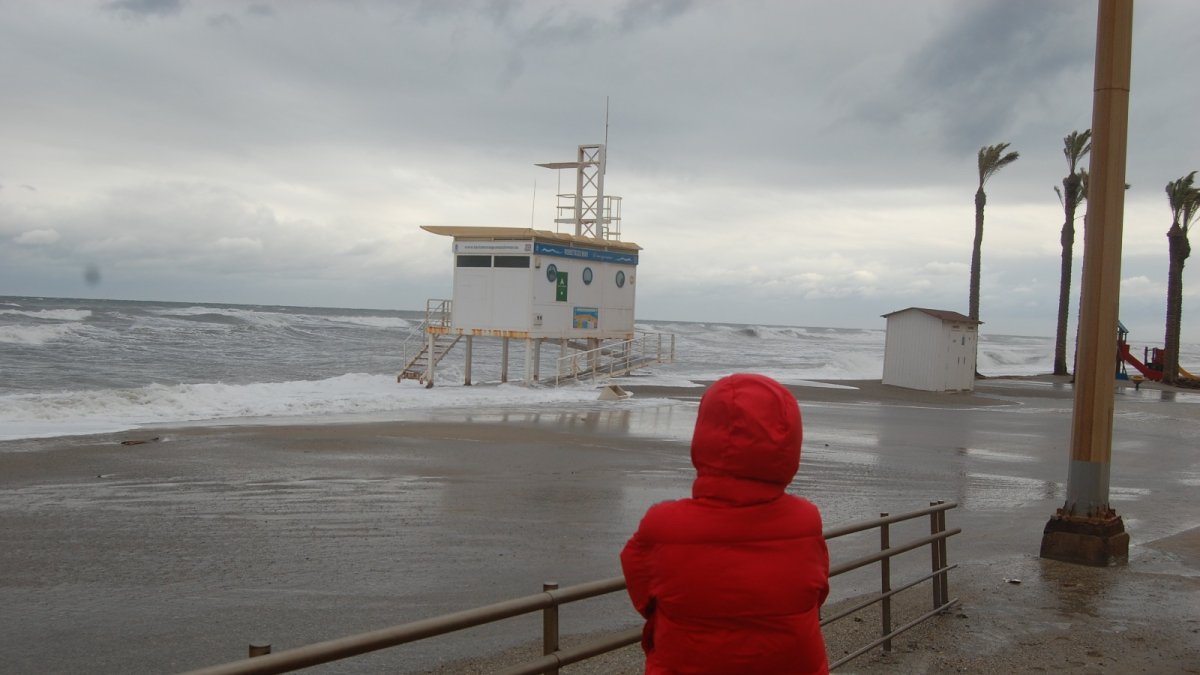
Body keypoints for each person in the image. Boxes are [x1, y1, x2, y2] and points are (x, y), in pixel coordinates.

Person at [620, 373, 829, 674]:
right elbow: (817, 591)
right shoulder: (806, 519)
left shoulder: (663, 525)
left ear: (705, 434)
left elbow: (643, 594)